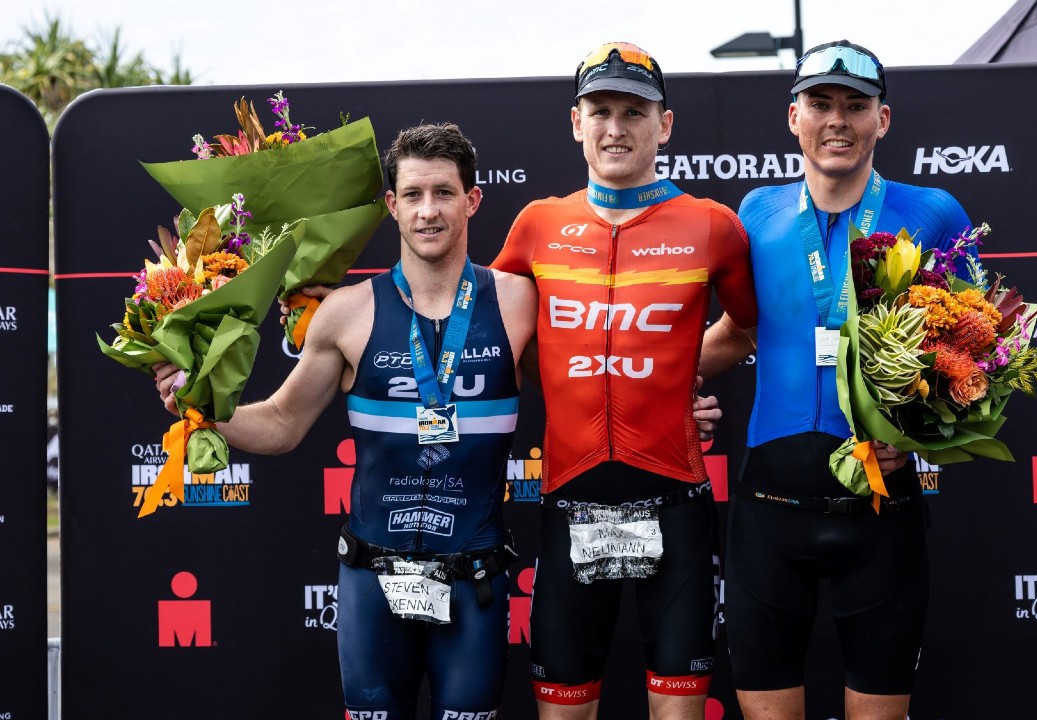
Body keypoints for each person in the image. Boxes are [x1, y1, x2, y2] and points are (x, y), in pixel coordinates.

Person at [154, 123, 536, 720]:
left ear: (473, 199)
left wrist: (683, 407)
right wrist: (202, 407)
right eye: (412, 195)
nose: (428, 210)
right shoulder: (347, 311)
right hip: (371, 581)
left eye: (443, 193)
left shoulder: (519, 301)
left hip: (474, 581)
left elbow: (590, 386)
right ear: (391, 205)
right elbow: (282, 421)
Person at [700, 41, 976, 720]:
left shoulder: (934, 211)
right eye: (821, 103)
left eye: (856, 105)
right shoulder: (756, 214)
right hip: (769, 512)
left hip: (882, 519)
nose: (838, 120)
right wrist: (646, 384)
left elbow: (982, 359)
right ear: (793, 116)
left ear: (883, 119)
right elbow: (737, 334)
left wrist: (921, 436)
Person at [490, 42, 757, 720]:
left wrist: (674, 379)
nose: (616, 128)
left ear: (663, 124)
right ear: (575, 122)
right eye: (600, 110)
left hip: (677, 507)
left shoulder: (711, 226)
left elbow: (748, 329)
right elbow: (489, 334)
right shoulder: (536, 226)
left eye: (633, 112)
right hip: (569, 502)